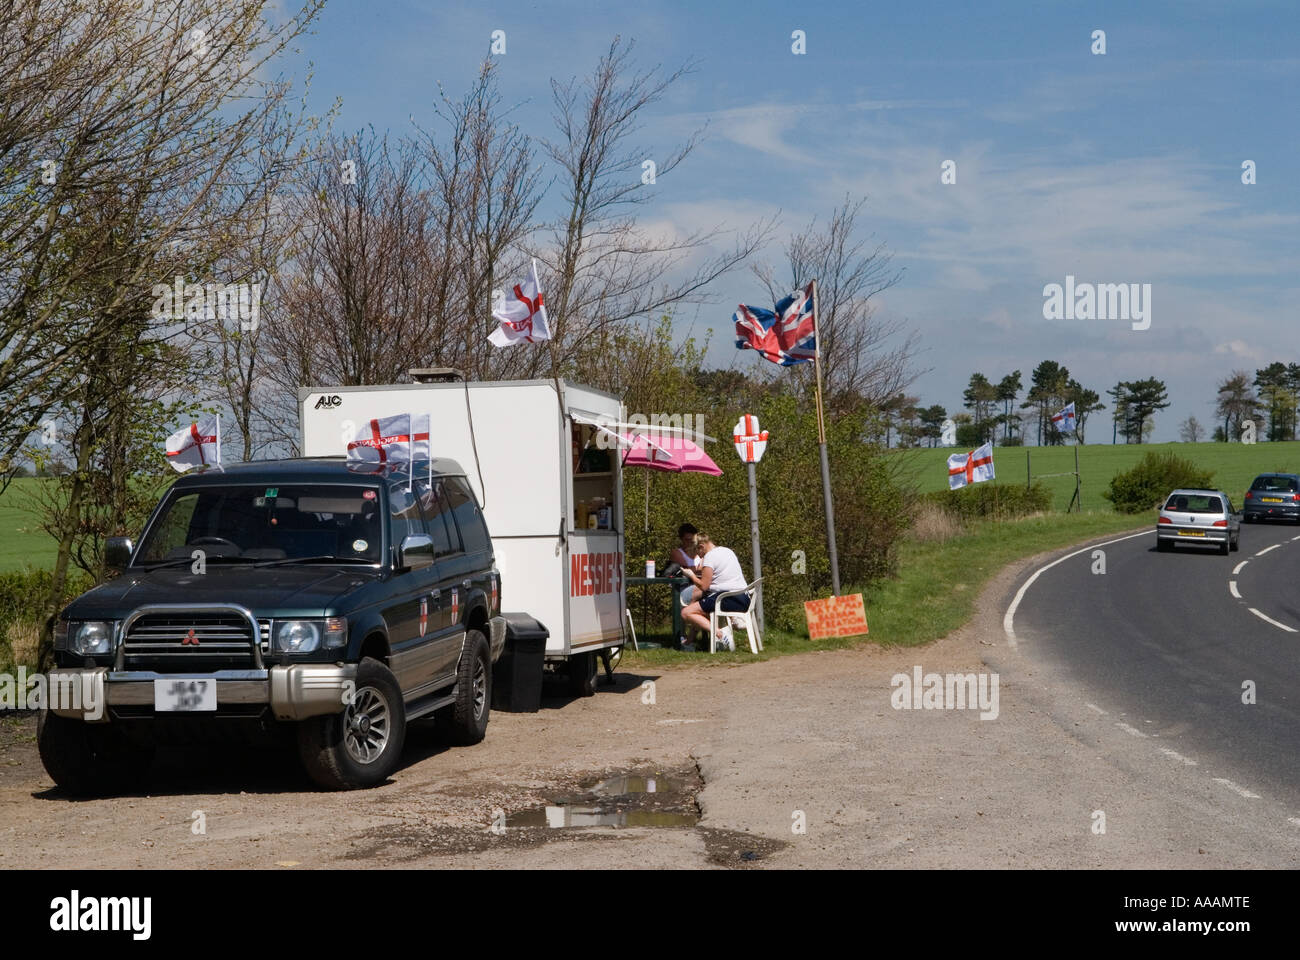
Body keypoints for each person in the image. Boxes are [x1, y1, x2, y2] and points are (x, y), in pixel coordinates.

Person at [680, 533, 751, 651]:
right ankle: (689, 642)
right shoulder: (727, 551)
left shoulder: (709, 557)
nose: (699, 556)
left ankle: (720, 634)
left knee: (686, 613)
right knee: (696, 607)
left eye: (698, 552)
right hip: (744, 597)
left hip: (728, 598)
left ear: (701, 546)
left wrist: (691, 575)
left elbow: (704, 586)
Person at [668, 524, 701, 646]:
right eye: (687, 540)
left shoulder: (700, 551)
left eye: (692, 540)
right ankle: (683, 636)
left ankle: (697, 636)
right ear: (681, 539)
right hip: (682, 589)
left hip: (698, 586)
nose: (690, 543)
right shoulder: (677, 553)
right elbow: (691, 569)